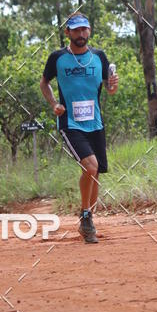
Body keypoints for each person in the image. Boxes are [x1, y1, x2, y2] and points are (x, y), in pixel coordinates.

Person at [40, 13, 119, 243]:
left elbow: (110, 88)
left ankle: (88, 219)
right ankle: (85, 216)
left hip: (95, 122)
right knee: (90, 166)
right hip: (70, 123)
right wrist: (54, 103)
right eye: (76, 30)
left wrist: (113, 86)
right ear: (68, 33)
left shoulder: (99, 57)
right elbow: (44, 83)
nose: (81, 34)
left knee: (95, 174)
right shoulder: (57, 58)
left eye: (84, 29)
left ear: (90, 31)